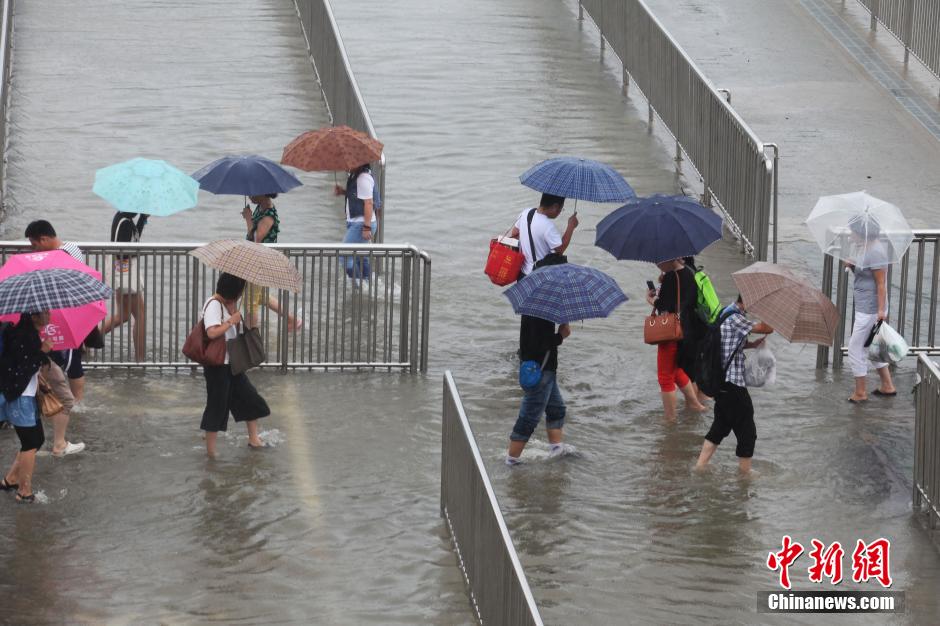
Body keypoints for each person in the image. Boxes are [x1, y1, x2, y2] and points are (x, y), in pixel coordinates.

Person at [695, 296, 773, 474]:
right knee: (747, 429)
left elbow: (728, 344)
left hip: (721, 383)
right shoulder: (736, 318)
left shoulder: (726, 311)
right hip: (732, 384)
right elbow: (767, 328)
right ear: (747, 301)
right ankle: (744, 474)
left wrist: (751, 344)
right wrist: (769, 311)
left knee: (720, 425)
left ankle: (700, 466)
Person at [200, 273, 271, 457]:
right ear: (235, 292)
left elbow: (244, 327)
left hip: (233, 363)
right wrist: (231, 320)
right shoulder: (213, 304)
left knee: (249, 398)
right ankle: (211, 452)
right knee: (217, 407)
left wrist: (246, 316)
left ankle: (254, 439)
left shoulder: (234, 305)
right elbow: (212, 332)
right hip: (217, 365)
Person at [24, 220, 89, 404]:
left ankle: (66, 402)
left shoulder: (57, 257)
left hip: (62, 314)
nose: (33, 250)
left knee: (63, 360)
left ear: (44, 239)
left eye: (34, 245)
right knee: (71, 359)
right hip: (74, 314)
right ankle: (76, 401)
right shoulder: (72, 247)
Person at [0, 313, 55, 502]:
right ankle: (24, 491)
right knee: (30, 442)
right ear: (34, 316)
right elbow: (23, 366)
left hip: (27, 394)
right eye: (46, 311)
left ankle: (10, 479)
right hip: (20, 397)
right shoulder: (24, 336)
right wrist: (43, 352)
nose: (50, 314)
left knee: (37, 439)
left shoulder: (29, 334)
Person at [646, 258, 707, 420]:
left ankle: (670, 419)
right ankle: (695, 404)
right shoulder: (688, 272)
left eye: (659, 262)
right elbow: (685, 301)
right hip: (685, 330)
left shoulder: (671, 277)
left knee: (665, 377)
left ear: (668, 260)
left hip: (669, 333)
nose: (657, 265)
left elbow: (664, 306)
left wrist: (651, 299)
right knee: (675, 369)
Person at [506, 316, 572, 465]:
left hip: (542, 368)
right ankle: (512, 460)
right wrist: (562, 335)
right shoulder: (540, 316)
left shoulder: (535, 309)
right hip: (540, 370)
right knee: (529, 416)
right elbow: (540, 343)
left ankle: (556, 448)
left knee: (557, 409)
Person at [845, 220, 896, 403]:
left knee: (854, 349)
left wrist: (881, 311)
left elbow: (881, 284)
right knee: (871, 347)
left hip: (870, 309)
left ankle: (860, 393)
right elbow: (865, 276)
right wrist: (852, 266)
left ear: (862, 233)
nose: (850, 235)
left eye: (852, 232)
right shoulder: (866, 248)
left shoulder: (875, 252)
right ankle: (887, 386)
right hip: (866, 306)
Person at [242, 194, 302, 330]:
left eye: (253, 192)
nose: (250, 196)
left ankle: (250, 336)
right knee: (261, 296)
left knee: (251, 301)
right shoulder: (260, 208)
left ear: (263, 193)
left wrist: (248, 219)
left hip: (260, 261)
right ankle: (293, 320)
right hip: (256, 258)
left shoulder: (269, 214)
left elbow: (256, 238)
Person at [101, 212, 149, 361]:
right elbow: (122, 252)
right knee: (140, 316)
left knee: (123, 315)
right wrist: (136, 252)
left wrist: (142, 219)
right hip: (126, 274)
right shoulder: (126, 223)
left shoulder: (122, 218)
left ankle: (87, 340)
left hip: (121, 273)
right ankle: (140, 360)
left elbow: (132, 240)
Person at [509, 193, 579, 277]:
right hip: (538, 275)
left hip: (522, 273)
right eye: (561, 209)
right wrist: (570, 226)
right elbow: (560, 250)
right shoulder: (548, 226)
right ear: (555, 207)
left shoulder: (526, 212)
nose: (559, 212)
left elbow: (515, 233)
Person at [334, 162, 381, 284]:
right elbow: (358, 195)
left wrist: (366, 227)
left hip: (361, 224)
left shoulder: (363, 178)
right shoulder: (356, 176)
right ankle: (369, 285)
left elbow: (369, 203)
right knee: (361, 258)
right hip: (358, 223)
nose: (347, 165)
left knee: (343, 255)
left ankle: (358, 286)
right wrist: (343, 192)